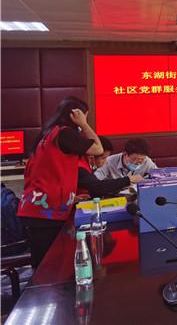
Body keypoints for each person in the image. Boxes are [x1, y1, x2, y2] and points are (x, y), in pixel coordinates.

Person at [17, 96, 104, 267]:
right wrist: (84, 125)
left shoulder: (49, 133)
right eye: (85, 116)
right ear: (76, 115)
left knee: (45, 266)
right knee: (48, 269)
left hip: (36, 207)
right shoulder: (65, 134)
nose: (85, 120)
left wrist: (69, 197)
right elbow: (98, 149)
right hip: (45, 212)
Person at [78, 136, 143, 199]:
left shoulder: (87, 165)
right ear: (91, 158)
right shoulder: (80, 168)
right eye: (103, 158)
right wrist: (128, 180)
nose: (105, 161)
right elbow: (98, 186)